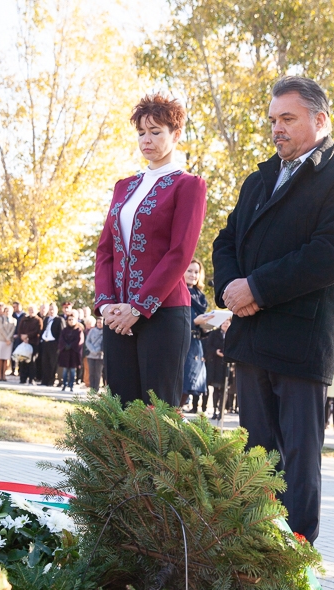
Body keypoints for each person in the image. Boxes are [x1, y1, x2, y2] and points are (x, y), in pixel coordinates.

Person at [212, 75, 334, 544]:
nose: (276, 128)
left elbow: (327, 257)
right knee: (254, 460)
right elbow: (226, 241)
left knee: (298, 467)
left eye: (287, 118)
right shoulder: (259, 179)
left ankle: (294, 565)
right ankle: (251, 554)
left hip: (300, 346)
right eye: (272, 120)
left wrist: (256, 288)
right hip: (251, 340)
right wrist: (233, 290)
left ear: (319, 120)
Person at [94, 93, 206, 406]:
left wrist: (138, 307)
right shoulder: (123, 186)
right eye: (141, 132)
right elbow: (105, 251)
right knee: (119, 412)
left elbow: (180, 253)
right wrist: (106, 304)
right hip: (117, 316)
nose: (147, 139)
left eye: (156, 132)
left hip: (164, 314)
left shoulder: (189, 185)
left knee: (157, 416)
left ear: (176, 134)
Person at [181, 260, 212, 413]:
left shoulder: (201, 297)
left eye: (196, 272)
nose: (193, 275)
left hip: (196, 346)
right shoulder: (178, 291)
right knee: (181, 384)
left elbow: (204, 328)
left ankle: (177, 414)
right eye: (189, 271)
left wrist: (208, 326)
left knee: (191, 385)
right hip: (182, 343)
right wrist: (194, 322)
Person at [203, 317, 231, 420]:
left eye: (227, 322)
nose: (225, 324)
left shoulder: (232, 334)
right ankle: (215, 411)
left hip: (227, 366)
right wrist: (216, 352)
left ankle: (221, 411)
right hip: (215, 366)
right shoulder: (214, 334)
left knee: (224, 390)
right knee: (215, 389)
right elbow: (208, 347)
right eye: (224, 322)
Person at [38, 303, 65, 387]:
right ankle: (44, 381)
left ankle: (51, 381)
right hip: (45, 342)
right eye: (50, 309)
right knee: (44, 362)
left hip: (54, 344)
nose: (51, 311)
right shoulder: (46, 319)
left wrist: (59, 345)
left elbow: (62, 333)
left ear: (56, 310)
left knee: (53, 363)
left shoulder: (59, 320)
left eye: (53, 309)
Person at [58, 313, 85, 392]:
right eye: (69, 319)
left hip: (74, 353)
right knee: (65, 370)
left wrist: (72, 345)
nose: (71, 321)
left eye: (72, 319)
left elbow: (79, 340)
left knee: (73, 370)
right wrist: (65, 345)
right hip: (65, 353)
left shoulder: (78, 330)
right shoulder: (64, 330)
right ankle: (64, 384)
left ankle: (71, 385)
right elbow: (61, 339)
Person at [16, 305, 43, 384]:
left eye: (33, 310)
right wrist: (22, 337)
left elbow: (38, 330)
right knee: (22, 360)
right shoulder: (24, 319)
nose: (31, 311)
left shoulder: (38, 320)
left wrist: (28, 336)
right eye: (30, 310)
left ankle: (31, 378)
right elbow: (19, 329)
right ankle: (22, 378)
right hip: (24, 343)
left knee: (32, 361)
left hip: (33, 342)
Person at [0, 305, 17, 381]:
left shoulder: (14, 320)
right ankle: (0, 375)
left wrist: (8, 338)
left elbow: (13, 330)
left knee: (6, 358)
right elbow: (1, 329)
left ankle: (4, 375)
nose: (8, 313)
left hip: (9, 341)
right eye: (6, 311)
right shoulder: (0, 319)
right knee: (0, 358)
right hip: (2, 340)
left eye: (9, 311)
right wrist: (6, 338)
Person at [84, 316, 104, 391]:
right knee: (91, 373)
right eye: (98, 322)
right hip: (91, 355)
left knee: (98, 373)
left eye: (100, 322)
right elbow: (87, 341)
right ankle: (92, 388)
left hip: (100, 355)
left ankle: (96, 388)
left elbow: (104, 343)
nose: (99, 324)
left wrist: (97, 350)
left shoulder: (105, 332)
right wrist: (92, 350)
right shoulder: (92, 331)